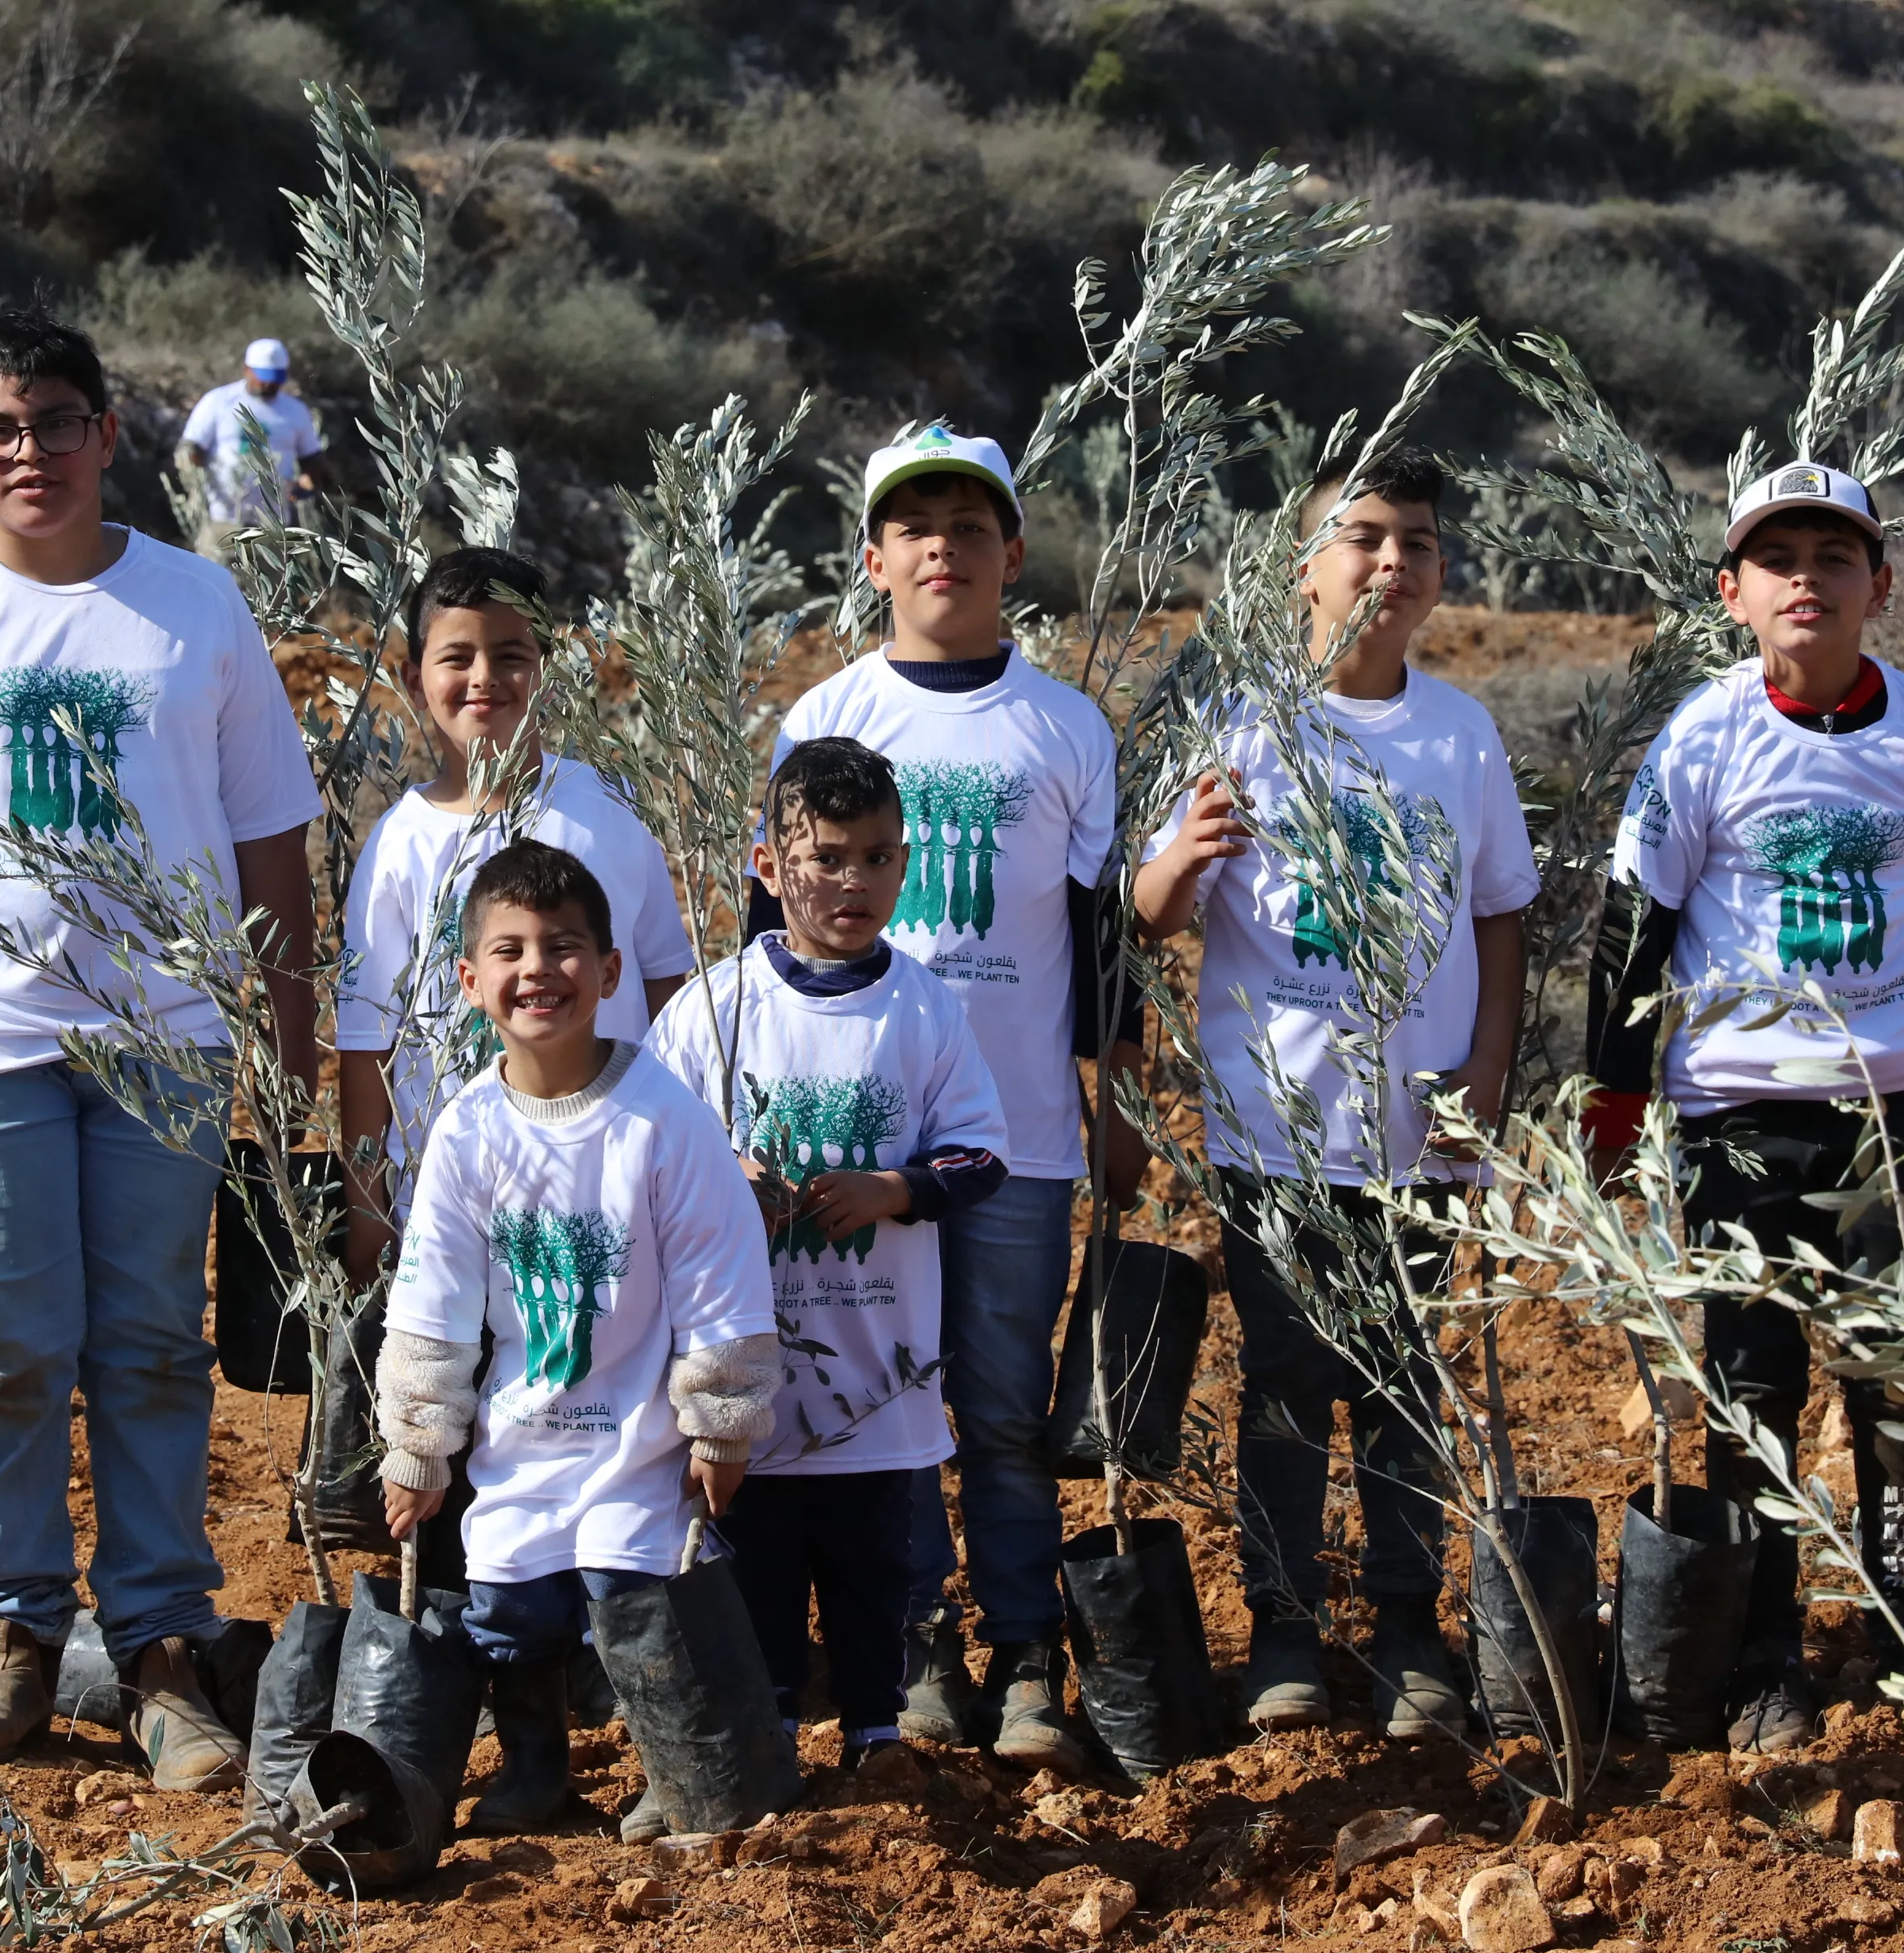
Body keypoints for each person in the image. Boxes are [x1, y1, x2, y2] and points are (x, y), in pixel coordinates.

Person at [0, 311, 321, 1791]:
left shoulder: (193, 610)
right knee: (6, 1343)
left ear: (108, 434)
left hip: (157, 1037)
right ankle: (16, 1638)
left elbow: (271, 844)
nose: (30, 450)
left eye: (57, 420)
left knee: (153, 1344)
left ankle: (162, 1646)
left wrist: (283, 1046)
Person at [1583, 462, 1904, 1754]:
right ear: (1731, 593)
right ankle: (1763, 1652)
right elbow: (1633, 926)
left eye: (1832, 557)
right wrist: (1612, 1108)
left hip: (1894, 1119)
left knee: (1892, 1384)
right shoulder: (1698, 738)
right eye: (1775, 558)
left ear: (1875, 588)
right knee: (1751, 1386)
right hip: (1736, 1122)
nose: (1804, 579)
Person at [1131, 448, 1536, 1744]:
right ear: (1305, 567)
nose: (1388, 561)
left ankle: (1411, 1632)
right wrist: (1183, 857)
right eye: (1359, 536)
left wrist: (1482, 1088)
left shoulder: (1457, 733)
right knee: (1289, 1389)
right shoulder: (1237, 723)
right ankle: (1285, 1635)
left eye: (1414, 540)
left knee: (1408, 1388)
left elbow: (1502, 919)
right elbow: (1144, 918)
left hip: (1419, 1138)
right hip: (1275, 1135)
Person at [767, 424, 1139, 1778]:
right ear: (872, 557)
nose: (941, 546)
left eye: (967, 523)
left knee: (999, 1403)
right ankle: (917, 1643)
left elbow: (1102, 940)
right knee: (885, 1401)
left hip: (1021, 1135)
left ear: (1011, 552)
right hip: (851, 1144)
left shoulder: (1064, 726)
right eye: (912, 524)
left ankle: (1028, 1648)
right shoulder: (822, 719)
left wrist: (1120, 1102)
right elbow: (774, 934)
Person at [372, 839, 782, 1837]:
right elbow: (432, 1302)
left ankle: (673, 1766)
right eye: (508, 951)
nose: (537, 971)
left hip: (639, 1441)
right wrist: (421, 1441)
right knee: (508, 1601)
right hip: (523, 1438)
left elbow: (721, 1281)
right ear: (470, 982)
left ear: (609, 972)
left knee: (633, 1589)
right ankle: (534, 1766)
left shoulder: (661, 1123)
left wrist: (723, 1422)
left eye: (563, 947)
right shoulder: (467, 1131)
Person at [650, 738, 1012, 1777]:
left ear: (905, 865)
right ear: (769, 865)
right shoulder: (714, 1013)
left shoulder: (923, 1007)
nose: (852, 882)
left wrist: (894, 1191)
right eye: (825, 858)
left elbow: (982, 1155)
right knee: (754, 1560)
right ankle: (764, 1742)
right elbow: (647, 1162)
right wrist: (727, 1185)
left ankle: (875, 1734)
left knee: (872, 1568)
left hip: (880, 1376)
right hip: (748, 1382)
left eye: (876, 857)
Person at [337, 548, 699, 1285]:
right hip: (451, 1198)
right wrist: (370, 1217)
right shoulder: (399, 845)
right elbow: (367, 1041)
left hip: (613, 1183)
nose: (484, 679)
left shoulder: (608, 814)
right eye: (456, 657)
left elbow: (671, 992)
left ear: (548, 669)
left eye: (511, 655)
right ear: (413, 678)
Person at [181, 336, 323, 561]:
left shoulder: (295, 411)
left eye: (276, 379)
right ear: (247, 369)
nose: (269, 384)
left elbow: (312, 460)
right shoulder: (219, 402)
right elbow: (190, 448)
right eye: (263, 377)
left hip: (273, 525)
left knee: (272, 592)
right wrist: (194, 478)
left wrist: (306, 485)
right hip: (223, 520)